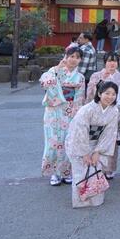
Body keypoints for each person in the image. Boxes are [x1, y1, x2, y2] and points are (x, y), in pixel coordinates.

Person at [65, 80, 118, 207]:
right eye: (107, 93)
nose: (110, 97)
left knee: (96, 170)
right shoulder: (87, 110)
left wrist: (98, 151)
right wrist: (84, 153)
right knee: (81, 172)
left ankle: (95, 199)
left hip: (97, 143)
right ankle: (80, 200)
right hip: (79, 143)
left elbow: (109, 133)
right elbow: (79, 131)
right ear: (99, 94)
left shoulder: (114, 111)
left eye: (113, 94)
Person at [40, 48, 86, 186]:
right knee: (53, 143)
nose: (74, 59)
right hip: (53, 112)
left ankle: (66, 172)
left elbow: (79, 98)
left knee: (68, 142)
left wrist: (75, 113)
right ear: (65, 57)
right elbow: (44, 84)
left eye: (77, 57)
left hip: (70, 112)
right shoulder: (54, 70)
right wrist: (57, 70)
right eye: (71, 56)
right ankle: (54, 173)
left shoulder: (80, 77)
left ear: (80, 60)